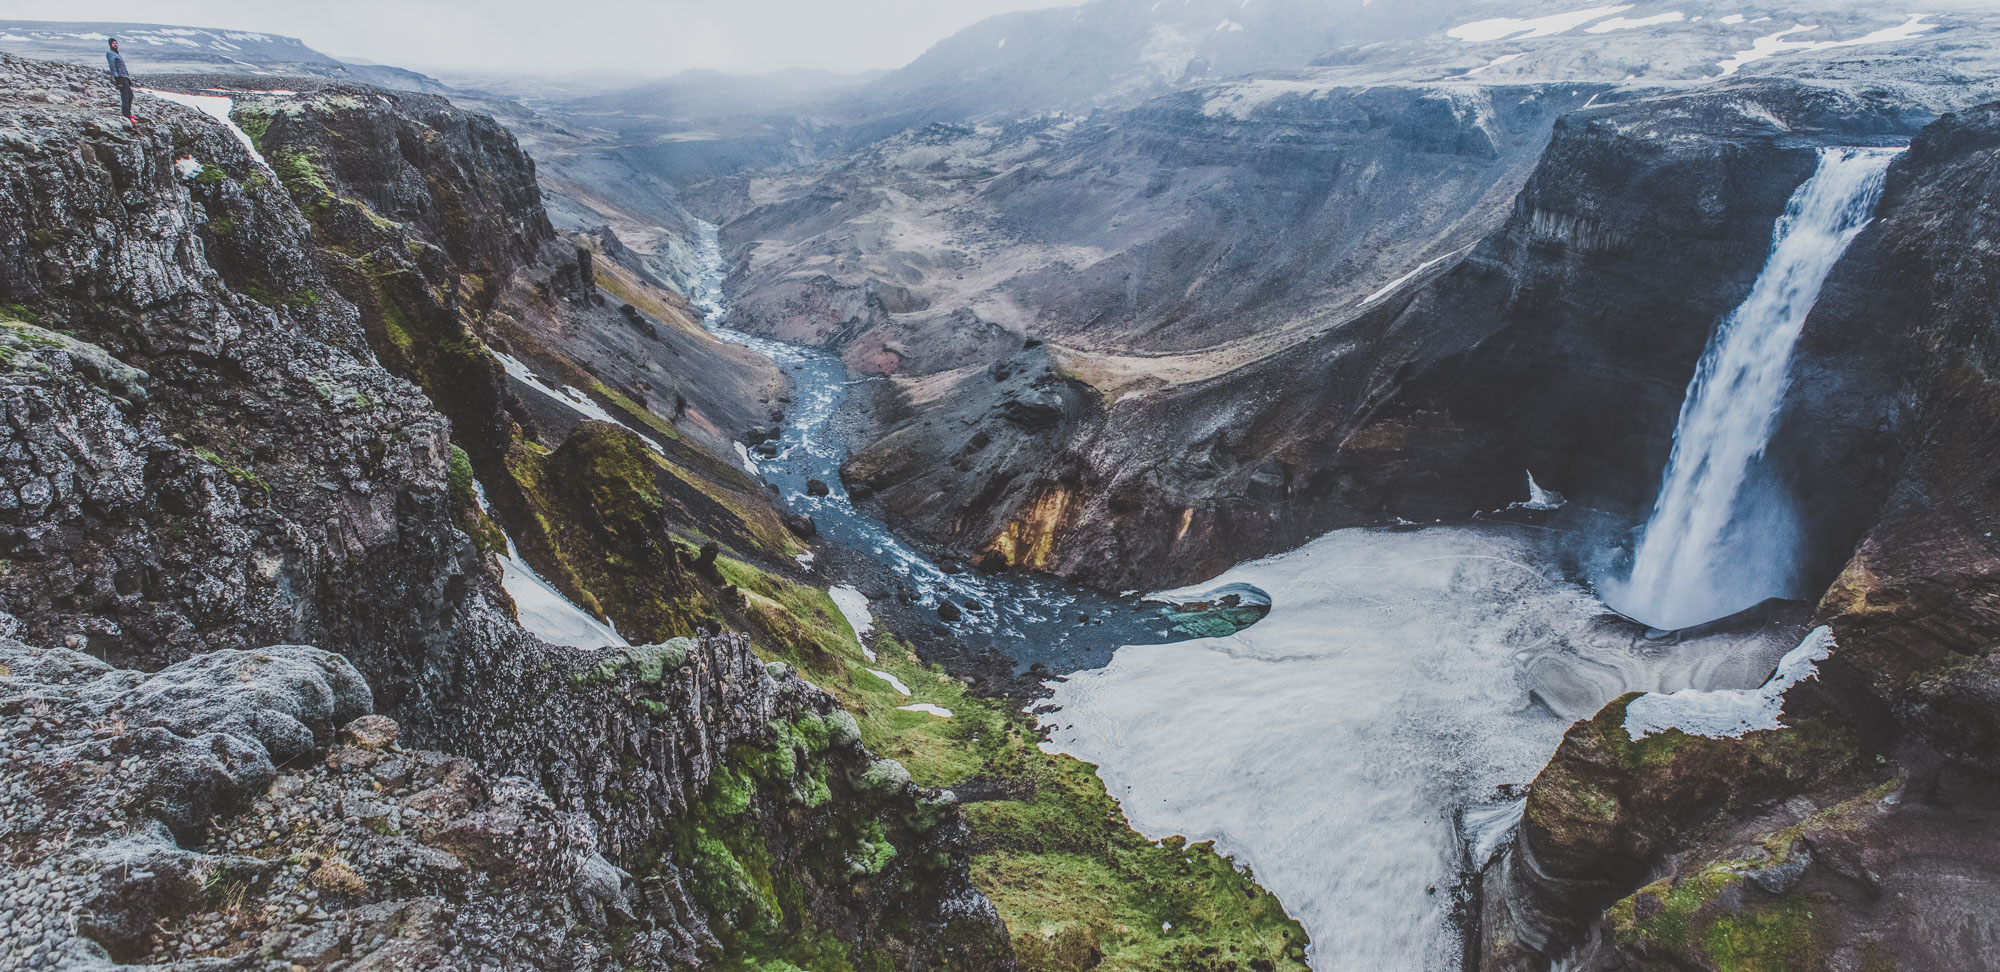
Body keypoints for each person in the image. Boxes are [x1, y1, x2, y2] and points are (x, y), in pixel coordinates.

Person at [106, 38, 134, 124]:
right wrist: (117, 80)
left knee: (130, 95)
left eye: (116, 43)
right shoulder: (110, 53)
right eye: (113, 43)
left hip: (125, 77)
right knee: (125, 97)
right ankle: (127, 116)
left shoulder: (116, 54)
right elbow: (112, 67)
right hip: (120, 78)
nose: (115, 44)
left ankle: (128, 114)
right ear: (110, 45)